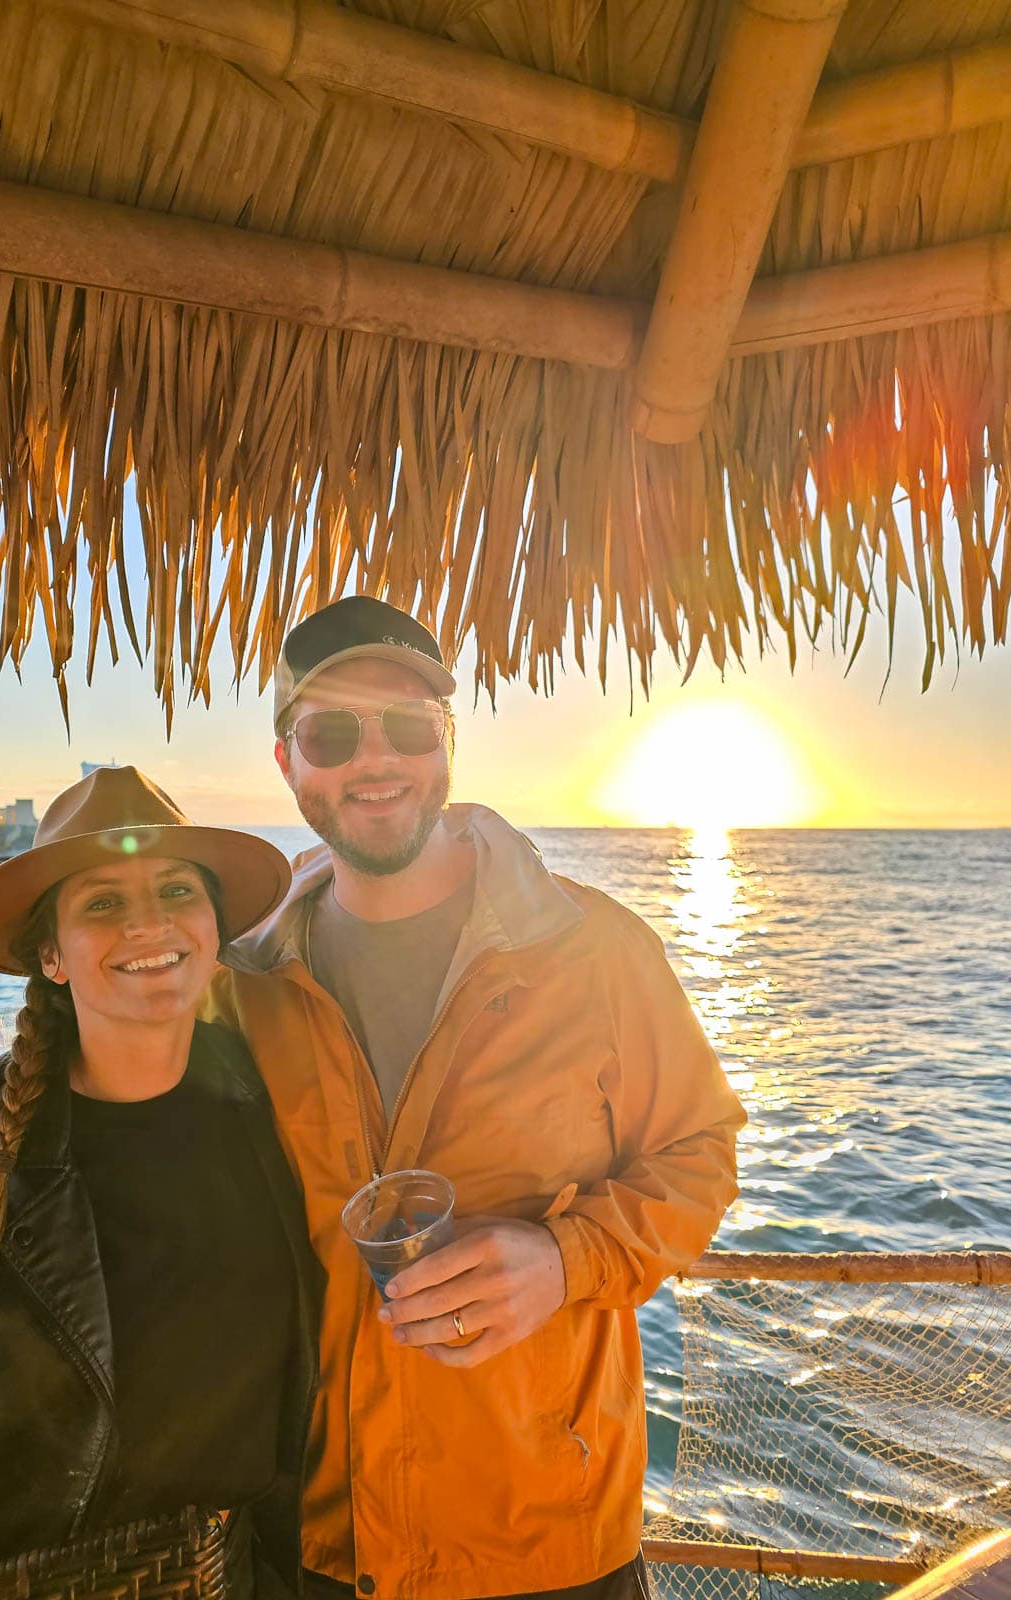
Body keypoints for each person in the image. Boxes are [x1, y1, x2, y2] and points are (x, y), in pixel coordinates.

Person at [206, 596, 748, 1600]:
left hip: (547, 1544)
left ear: (449, 741)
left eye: (408, 724)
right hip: (316, 1542)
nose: (377, 759)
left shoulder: (595, 950)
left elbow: (703, 1155)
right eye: (332, 731)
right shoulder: (242, 983)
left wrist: (565, 1256)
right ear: (287, 762)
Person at [0, 766, 319, 1600]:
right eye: (101, 903)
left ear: (214, 927)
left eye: (175, 891)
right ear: (50, 955)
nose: (149, 923)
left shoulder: (285, 1116)